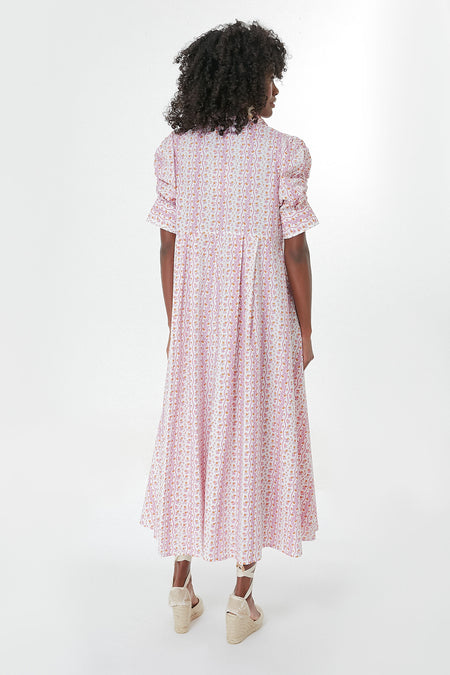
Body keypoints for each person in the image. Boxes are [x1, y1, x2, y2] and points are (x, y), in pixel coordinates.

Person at [139, 19, 320, 643]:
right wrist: (306, 330)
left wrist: (178, 323)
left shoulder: (175, 153)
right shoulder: (284, 152)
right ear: (247, 80)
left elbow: (167, 246)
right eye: (270, 77)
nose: (277, 90)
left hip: (196, 324)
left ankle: (180, 587)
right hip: (263, 321)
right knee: (253, 439)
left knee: (190, 437)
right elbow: (294, 251)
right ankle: (240, 599)